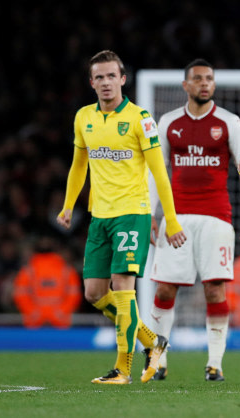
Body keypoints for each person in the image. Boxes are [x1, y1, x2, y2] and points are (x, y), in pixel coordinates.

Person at [57, 50, 186, 384]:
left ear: (122, 79)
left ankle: (122, 369)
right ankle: (151, 340)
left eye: (111, 76)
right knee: (95, 293)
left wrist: (170, 218)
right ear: (92, 83)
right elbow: (78, 165)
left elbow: (160, 172)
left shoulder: (140, 119)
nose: (105, 83)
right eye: (99, 77)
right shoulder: (83, 117)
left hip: (132, 213)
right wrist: (69, 205)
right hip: (100, 217)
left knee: (123, 289)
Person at [147, 58, 240, 382]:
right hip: (176, 218)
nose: (205, 83)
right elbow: (157, 173)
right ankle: (159, 358)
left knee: (215, 289)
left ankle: (215, 363)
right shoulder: (168, 122)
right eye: (198, 79)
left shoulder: (229, 122)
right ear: (186, 85)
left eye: (209, 78)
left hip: (216, 217)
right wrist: (151, 214)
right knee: (166, 288)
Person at [13, 235, 82, 328]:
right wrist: (59, 313)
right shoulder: (67, 270)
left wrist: (35, 314)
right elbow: (74, 296)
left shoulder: (27, 270)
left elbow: (20, 295)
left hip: (36, 323)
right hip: (59, 323)